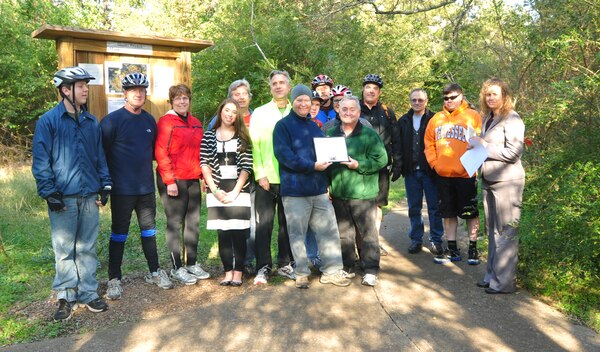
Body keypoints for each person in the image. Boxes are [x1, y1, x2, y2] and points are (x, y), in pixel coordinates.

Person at [32, 67, 111, 321]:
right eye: (80, 85)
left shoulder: (91, 122)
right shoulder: (48, 121)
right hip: (62, 197)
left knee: (87, 247)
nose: (86, 89)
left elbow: (99, 156)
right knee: (64, 249)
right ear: (65, 90)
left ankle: (88, 292)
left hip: (89, 195)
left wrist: (105, 184)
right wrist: (48, 192)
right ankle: (66, 295)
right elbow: (41, 160)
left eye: (86, 85)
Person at [101, 72, 173, 300]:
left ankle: (154, 271)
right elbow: (100, 155)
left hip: (145, 189)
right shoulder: (111, 121)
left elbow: (155, 152)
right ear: (125, 93)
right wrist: (104, 185)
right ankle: (114, 278)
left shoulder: (149, 120)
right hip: (121, 190)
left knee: (149, 232)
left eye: (142, 90)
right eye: (134, 90)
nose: (139, 94)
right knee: (119, 234)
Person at [273, 83, 351, 289]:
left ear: (311, 102)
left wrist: (325, 179)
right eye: (299, 100)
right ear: (293, 101)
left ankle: (332, 271)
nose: (303, 103)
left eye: (306, 100)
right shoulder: (282, 127)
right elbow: (285, 157)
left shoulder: (315, 127)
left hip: (318, 190)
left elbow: (324, 156)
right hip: (295, 190)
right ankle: (301, 272)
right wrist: (312, 166)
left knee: (328, 230)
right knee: (297, 233)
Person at [326, 96, 388, 286]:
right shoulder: (330, 134)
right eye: (344, 109)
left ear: (359, 113)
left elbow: (381, 160)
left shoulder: (369, 135)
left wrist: (358, 164)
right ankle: (348, 266)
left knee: (368, 233)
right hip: (339, 193)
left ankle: (370, 269)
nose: (348, 112)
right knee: (344, 233)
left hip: (363, 193)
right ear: (338, 111)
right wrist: (327, 185)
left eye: (352, 109)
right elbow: (326, 163)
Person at [472, 78, 525, 294]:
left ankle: (503, 283)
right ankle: (492, 276)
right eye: (487, 94)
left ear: (504, 95)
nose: (491, 97)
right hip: (489, 181)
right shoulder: (488, 118)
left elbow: (514, 152)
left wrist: (485, 146)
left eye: (495, 94)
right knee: (492, 232)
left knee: (506, 232)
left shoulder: (512, 118)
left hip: (508, 183)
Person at [155, 84, 210, 285]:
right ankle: (176, 267)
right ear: (172, 101)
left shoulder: (195, 122)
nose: (182, 101)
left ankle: (191, 263)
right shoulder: (166, 122)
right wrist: (169, 181)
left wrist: (204, 177)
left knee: (193, 221)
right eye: (178, 98)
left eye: (185, 98)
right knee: (175, 223)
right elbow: (161, 152)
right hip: (173, 180)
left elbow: (201, 152)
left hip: (192, 178)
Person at [424, 83, 482, 265]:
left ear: (461, 97)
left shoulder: (472, 116)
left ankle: (473, 249)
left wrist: (472, 167)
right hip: (443, 175)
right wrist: (435, 164)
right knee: (448, 213)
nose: (449, 101)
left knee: (470, 213)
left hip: (466, 175)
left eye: (453, 97)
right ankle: (452, 248)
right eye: (446, 98)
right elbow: (429, 143)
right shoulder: (436, 119)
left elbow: (480, 143)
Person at [248, 70, 295, 284]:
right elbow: (255, 145)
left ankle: (285, 264)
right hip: (266, 179)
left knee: (287, 225)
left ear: (289, 86)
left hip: (291, 179)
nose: (278, 86)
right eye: (274, 83)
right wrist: (260, 174)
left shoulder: (297, 111)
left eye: (282, 82)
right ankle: (263, 266)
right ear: (270, 87)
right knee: (264, 225)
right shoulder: (260, 112)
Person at [201, 99, 253, 287]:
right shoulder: (208, 136)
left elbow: (247, 167)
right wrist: (215, 190)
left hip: (239, 190)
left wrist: (235, 193)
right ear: (220, 111)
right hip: (217, 189)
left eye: (234, 112)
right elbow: (205, 165)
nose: (230, 114)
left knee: (238, 233)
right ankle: (227, 273)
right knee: (223, 234)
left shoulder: (243, 137)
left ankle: (238, 273)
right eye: (227, 110)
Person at [393, 88, 444, 256]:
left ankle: (436, 240)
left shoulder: (435, 119)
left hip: (430, 171)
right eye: (414, 100)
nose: (417, 103)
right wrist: (398, 167)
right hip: (411, 172)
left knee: (434, 207)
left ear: (426, 101)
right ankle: (416, 239)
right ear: (410, 101)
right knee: (414, 207)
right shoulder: (404, 121)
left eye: (420, 100)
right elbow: (398, 147)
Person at [360, 74, 399, 256]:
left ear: (379, 92)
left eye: (375, 88)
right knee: (359, 204)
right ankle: (359, 244)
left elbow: (396, 138)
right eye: (368, 87)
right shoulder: (355, 110)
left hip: (382, 166)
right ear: (363, 90)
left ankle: (374, 241)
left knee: (377, 205)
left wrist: (397, 162)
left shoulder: (386, 112)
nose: (371, 91)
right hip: (359, 166)